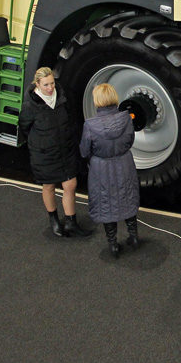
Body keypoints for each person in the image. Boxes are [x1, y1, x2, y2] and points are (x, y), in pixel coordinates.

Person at [19, 67, 89, 238]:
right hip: (44, 153)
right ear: (37, 84)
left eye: (52, 83)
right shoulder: (30, 105)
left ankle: (71, 222)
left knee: (70, 184)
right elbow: (24, 127)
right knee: (49, 185)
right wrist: (41, 143)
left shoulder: (62, 97)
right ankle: (54, 221)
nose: (50, 88)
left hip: (65, 149)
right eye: (46, 85)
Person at [80, 83, 140, 257]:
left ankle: (113, 244)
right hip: (124, 164)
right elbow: (130, 141)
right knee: (127, 198)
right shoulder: (127, 119)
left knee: (106, 204)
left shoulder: (91, 125)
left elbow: (84, 151)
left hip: (102, 169)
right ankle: (134, 236)